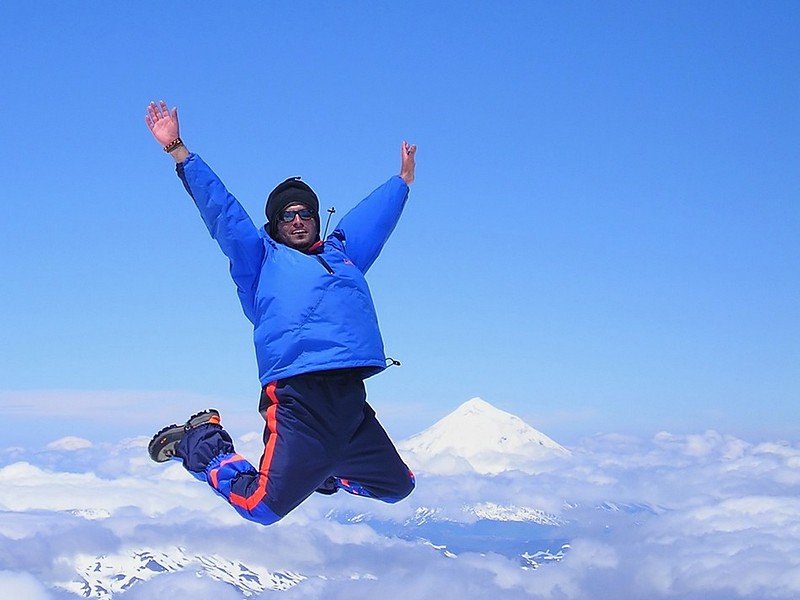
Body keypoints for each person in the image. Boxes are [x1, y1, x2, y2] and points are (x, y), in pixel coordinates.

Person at [144, 100, 417, 526]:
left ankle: (324, 473)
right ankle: (202, 442)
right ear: (274, 224)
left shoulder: (340, 255)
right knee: (262, 508)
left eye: (305, 212)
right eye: (286, 215)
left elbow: (371, 222)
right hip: (298, 400)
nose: (297, 219)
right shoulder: (260, 259)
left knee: (398, 486)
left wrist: (401, 183)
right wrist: (178, 149)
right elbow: (223, 213)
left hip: (350, 400)